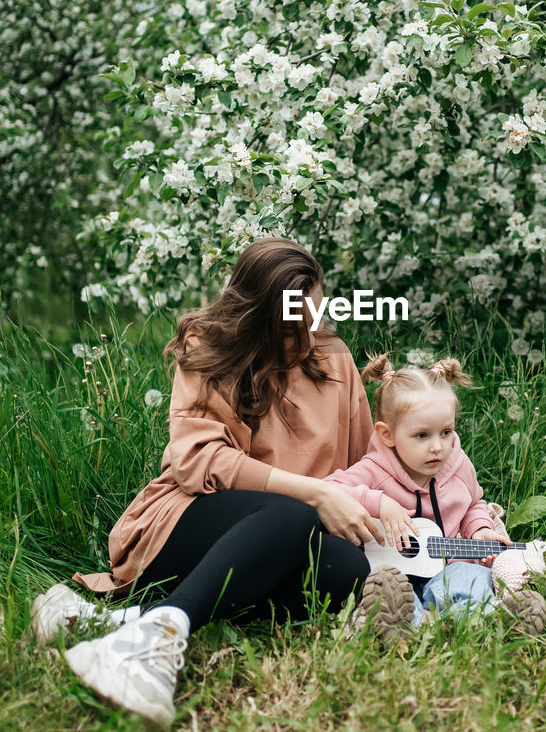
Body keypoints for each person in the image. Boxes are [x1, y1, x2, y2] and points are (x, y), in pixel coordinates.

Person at [30, 238, 388, 726]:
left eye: (314, 314)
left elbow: (367, 463)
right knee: (291, 511)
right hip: (189, 520)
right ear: (258, 311)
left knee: (350, 570)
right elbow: (198, 461)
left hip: (284, 538)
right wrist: (316, 492)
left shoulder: (334, 358)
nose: (307, 332)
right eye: (292, 321)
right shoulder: (209, 346)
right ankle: (153, 646)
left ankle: (122, 623)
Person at [326, 354, 546, 642]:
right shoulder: (374, 470)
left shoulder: (457, 464)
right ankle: (404, 625)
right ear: (388, 434)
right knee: (390, 592)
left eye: (446, 432)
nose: (437, 447)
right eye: (421, 435)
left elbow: (472, 504)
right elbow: (330, 490)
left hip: (451, 563)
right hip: (397, 574)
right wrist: (379, 502)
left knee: (470, 580)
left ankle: (487, 621)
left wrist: (479, 529)